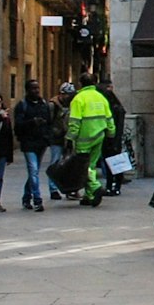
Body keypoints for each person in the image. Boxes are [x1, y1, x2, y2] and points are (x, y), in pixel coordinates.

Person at [66, 72, 115, 208]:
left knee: (83, 166)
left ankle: (95, 187)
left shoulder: (78, 99)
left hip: (84, 138)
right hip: (99, 136)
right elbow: (109, 118)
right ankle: (89, 196)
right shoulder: (101, 98)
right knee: (91, 165)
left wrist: (70, 138)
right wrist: (111, 133)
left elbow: (75, 122)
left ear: (80, 83)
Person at [13, 78, 54, 211]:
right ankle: (37, 200)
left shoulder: (44, 104)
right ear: (27, 90)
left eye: (37, 88)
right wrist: (32, 122)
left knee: (33, 172)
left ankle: (26, 197)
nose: (36, 91)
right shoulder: (22, 106)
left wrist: (47, 137)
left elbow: (49, 122)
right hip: (28, 143)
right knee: (33, 170)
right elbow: (18, 126)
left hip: (41, 142)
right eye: (33, 88)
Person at [46, 82, 75, 202]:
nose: (69, 97)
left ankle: (68, 189)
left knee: (69, 164)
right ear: (61, 94)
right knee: (55, 162)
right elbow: (48, 121)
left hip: (68, 138)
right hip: (56, 138)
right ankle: (53, 189)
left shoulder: (73, 104)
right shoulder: (53, 105)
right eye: (67, 94)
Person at [99, 78, 127, 196]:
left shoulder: (114, 107)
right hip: (112, 139)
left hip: (111, 139)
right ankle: (113, 186)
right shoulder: (116, 106)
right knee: (113, 164)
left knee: (113, 164)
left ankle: (112, 186)